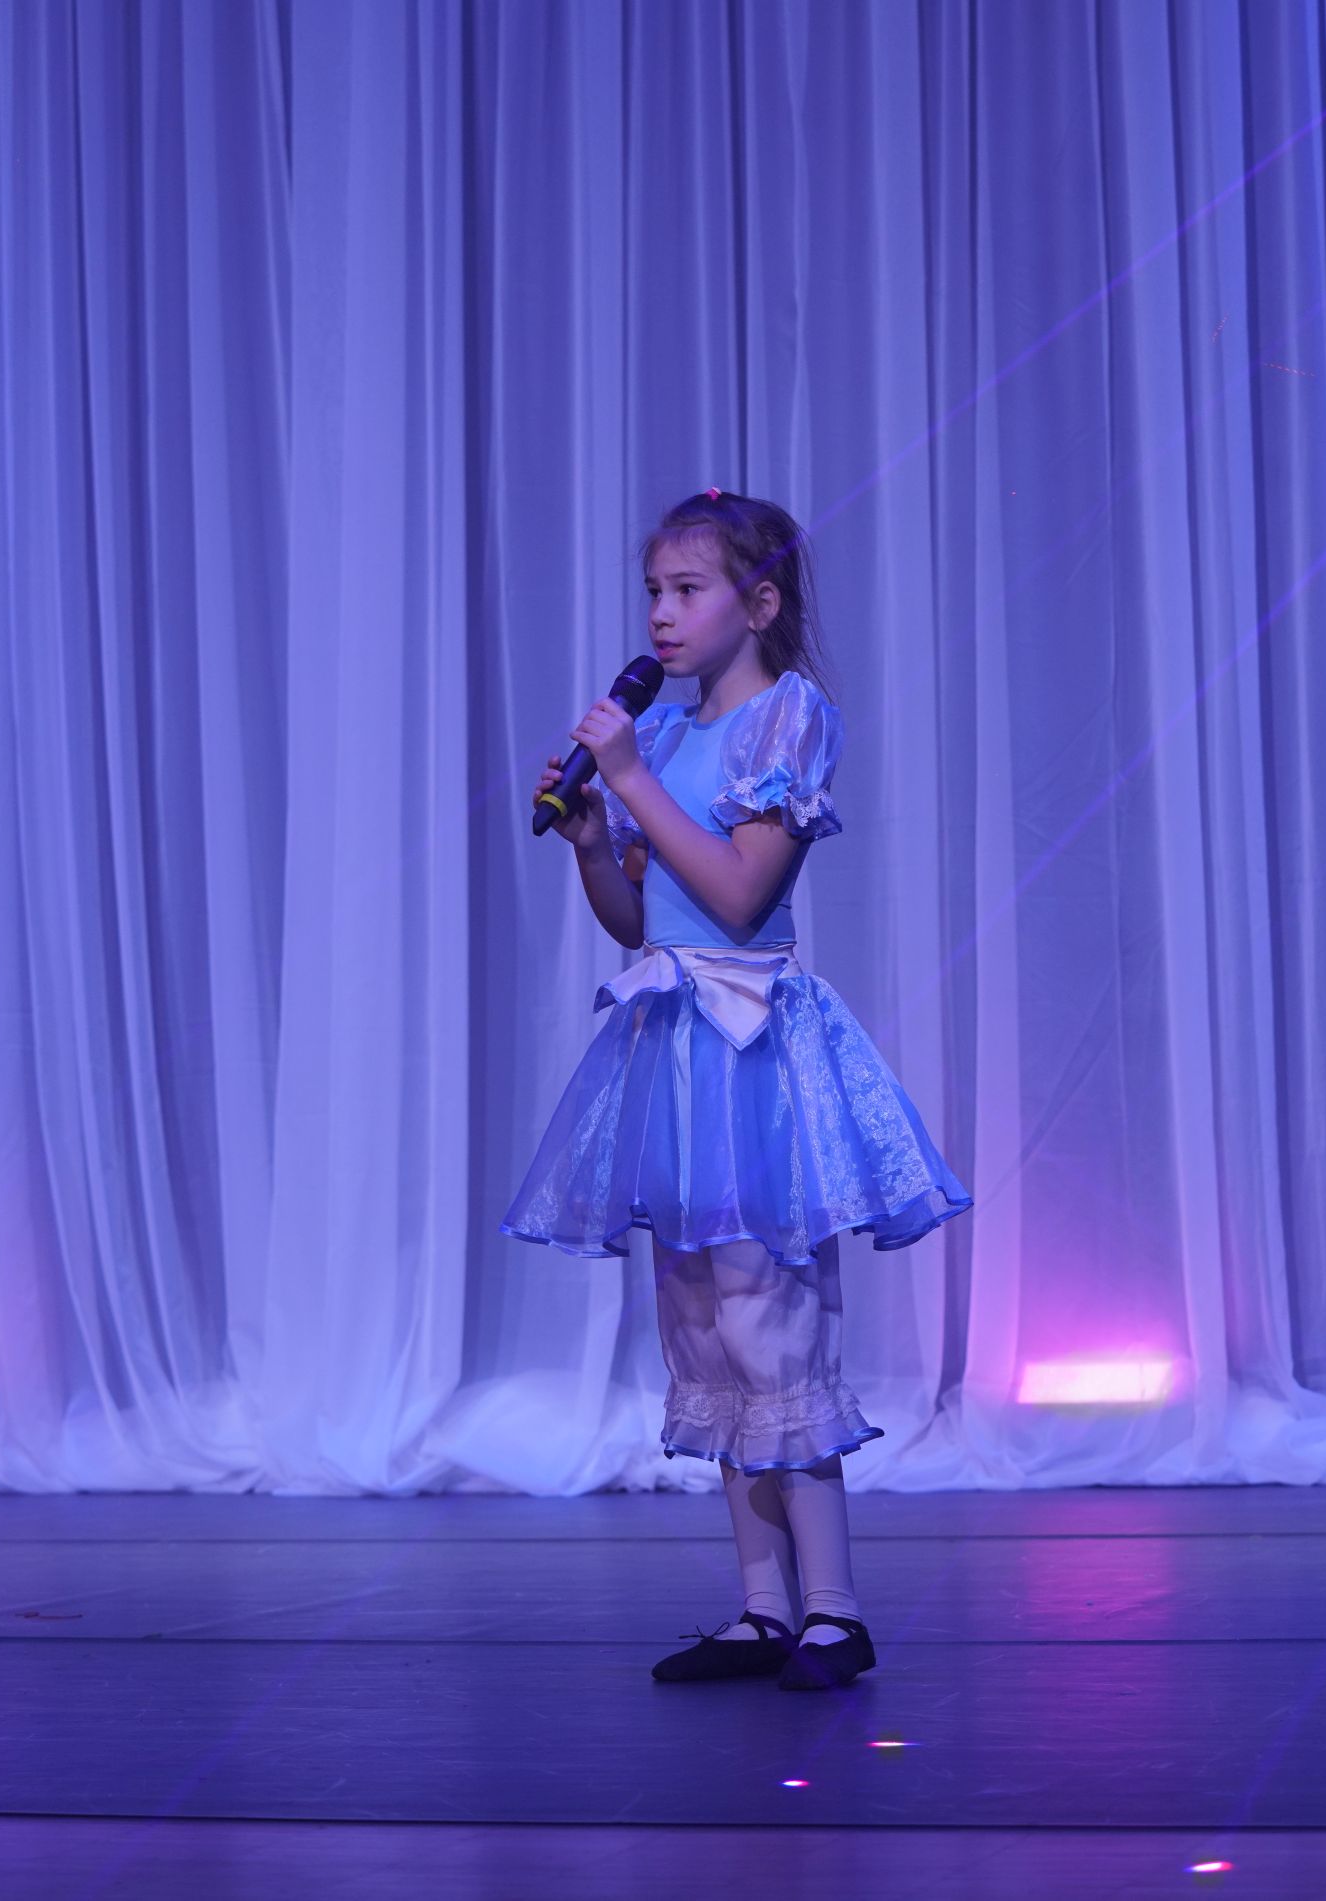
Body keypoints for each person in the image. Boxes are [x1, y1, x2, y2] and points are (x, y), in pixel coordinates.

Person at [502, 488, 971, 1692]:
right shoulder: (660, 735)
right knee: (704, 1323)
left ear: (757, 604)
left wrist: (628, 775)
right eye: (652, 592)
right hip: (673, 1047)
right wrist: (594, 836)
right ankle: (763, 1607)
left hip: (751, 1050)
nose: (660, 614)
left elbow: (738, 894)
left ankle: (834, 1609)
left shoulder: (787, 719)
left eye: (687, 589)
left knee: (769, 1320)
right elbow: (641, 920)